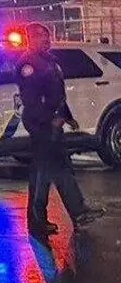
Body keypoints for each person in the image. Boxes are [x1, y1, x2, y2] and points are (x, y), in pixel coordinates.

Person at [18, 23, 104, 236]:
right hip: (41, 125)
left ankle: (77, 213)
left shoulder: (51, 61)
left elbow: (58, 95)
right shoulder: (28, 64)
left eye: (47, 36)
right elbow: (31, 100)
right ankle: (40, 220)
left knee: (60, 168)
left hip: (54, 123)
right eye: (41, 36)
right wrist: (50, 120)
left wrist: (67, 117)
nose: (46, 40)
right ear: (30, 38)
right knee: (43, 173)